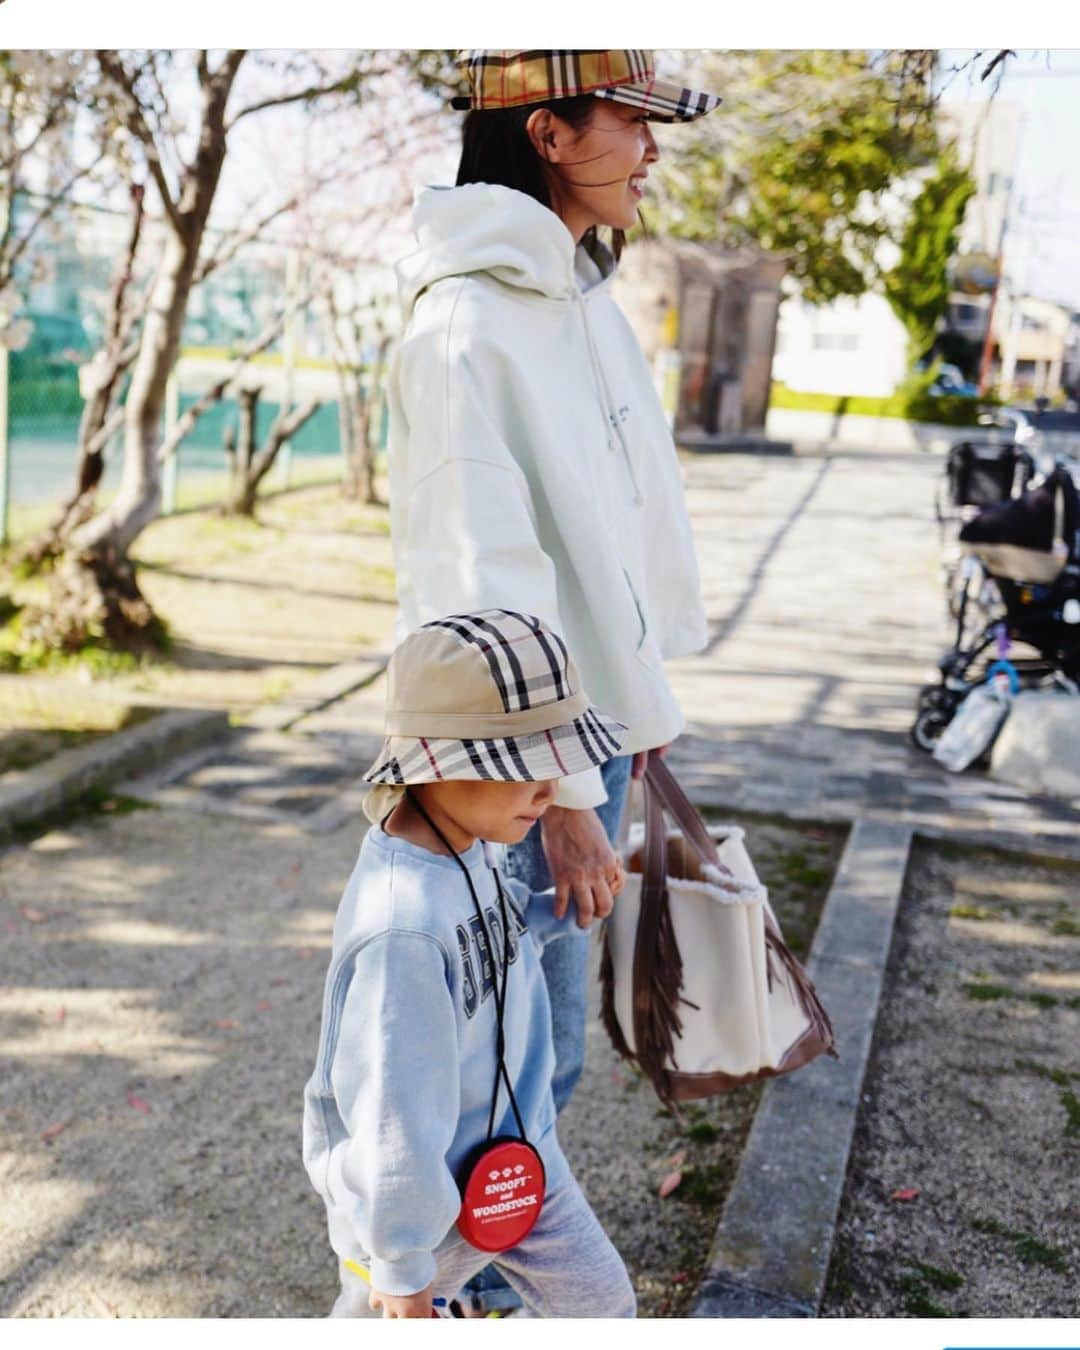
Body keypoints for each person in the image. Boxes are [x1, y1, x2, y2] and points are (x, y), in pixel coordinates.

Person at [384, 51, 723, 1311]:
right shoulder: (471, 322)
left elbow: (604, 548)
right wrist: (564, 789)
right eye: (631, 123)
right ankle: (445, 1295)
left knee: (535, 1055)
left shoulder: (571, 299)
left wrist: (635, 725)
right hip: (527, 771)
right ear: (549, 131)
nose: (651, 150)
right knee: (508, 1069)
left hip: (586, 742)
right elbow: (482, 582)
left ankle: (463, 1289)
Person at [302, 609, 636, 1318]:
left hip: (518, 1154)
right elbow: (393, 1108)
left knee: (603, 1307)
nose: (550, 791)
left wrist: (548, 915)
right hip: (428, 1205)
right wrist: (401, 1267)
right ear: (439, 764)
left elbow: (488, 928)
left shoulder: (468, 839)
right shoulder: (403, 931)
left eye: (556, 761)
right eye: (523, 766)